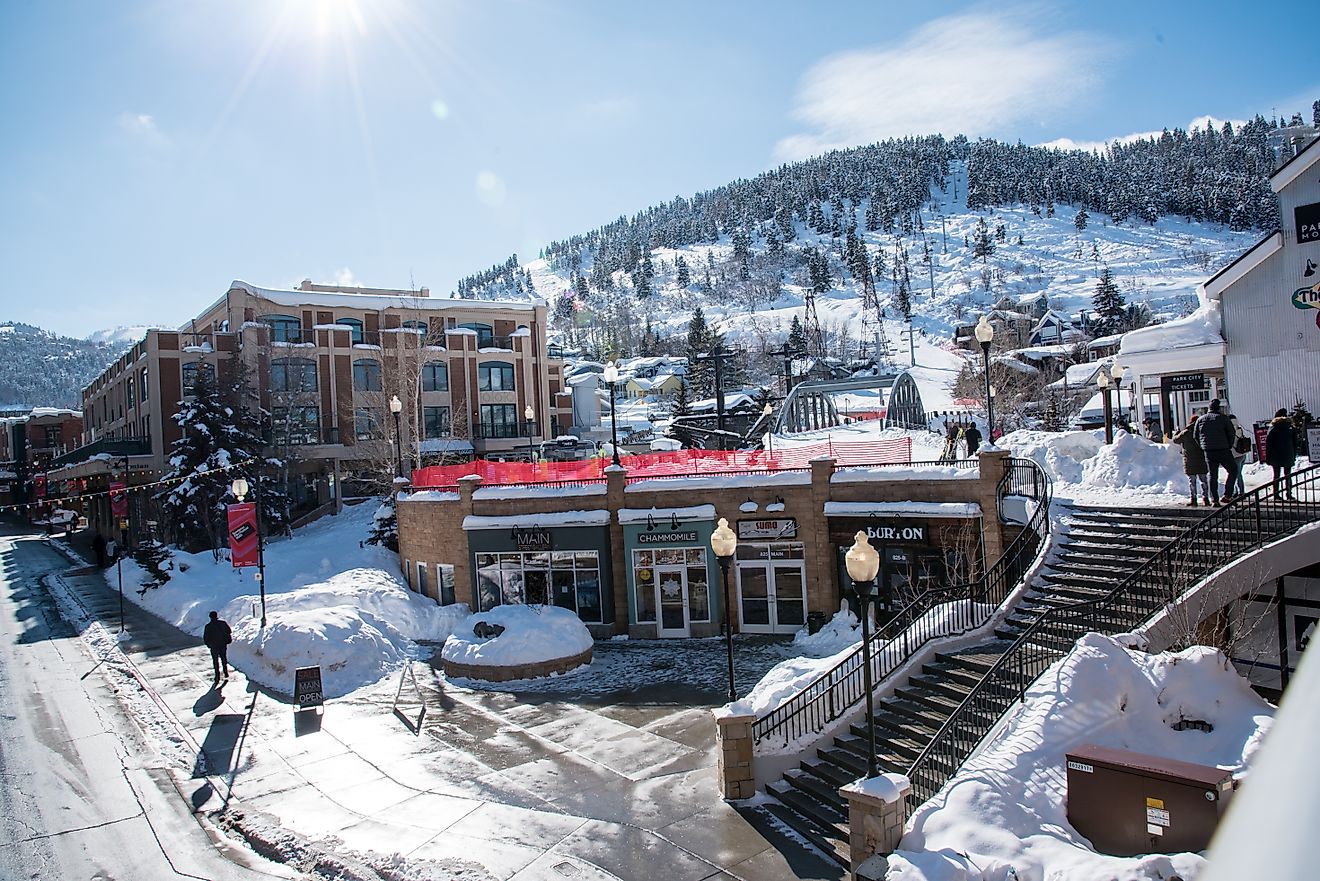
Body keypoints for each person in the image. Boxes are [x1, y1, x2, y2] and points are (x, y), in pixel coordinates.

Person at [1194, 399, 1238, 506]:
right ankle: (1227, 494)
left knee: (1212, 475)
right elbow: (1231, 433)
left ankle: (1214, 499)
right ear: (1218, 408)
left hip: (1208, 451)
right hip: (1223, 449)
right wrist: (1228, 445)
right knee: (1233, 470)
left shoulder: (1200, 419)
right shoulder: (1223, 418)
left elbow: (1195, 436)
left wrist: (1203, 446)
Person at [1171, 416, 1210, 507]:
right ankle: (1206, 498)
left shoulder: (1186, 432)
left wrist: (1177, 431)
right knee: (1203, 481)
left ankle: (1194, 499)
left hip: (1190, 460)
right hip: (1201, 459)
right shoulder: (1202, 432)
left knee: (1192, 482)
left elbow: (1175, 440)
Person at [1265, 408, 1297, 500]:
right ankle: (1289, 494)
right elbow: (1295, 443)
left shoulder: (1273, 428)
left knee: (1276, 475)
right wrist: (1293, 455)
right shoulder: (1291, 428)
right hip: (1288, 454)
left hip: (1275, 455)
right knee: (1288, 475)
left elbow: (1269, 444)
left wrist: (1268, 457)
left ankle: (1276, 494)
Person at [203, 611, 233, 681]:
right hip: (222, 644)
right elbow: (229, 631)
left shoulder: (208, 626)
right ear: (216, 616)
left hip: (214, 646)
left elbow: (206, 637)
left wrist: (208, 644)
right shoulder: (223, 623)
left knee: (215, 660)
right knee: (223, 658)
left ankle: (217, 675)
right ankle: (225, 672)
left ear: (210, 617)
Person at [1227, 412, 1249, 498]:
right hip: (1242, 453)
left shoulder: (1229, 429)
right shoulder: (1239, 428)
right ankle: (1239, 491)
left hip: (1235, 455)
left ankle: (1241, 492)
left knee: (1237, 474)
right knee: (1238, 474)